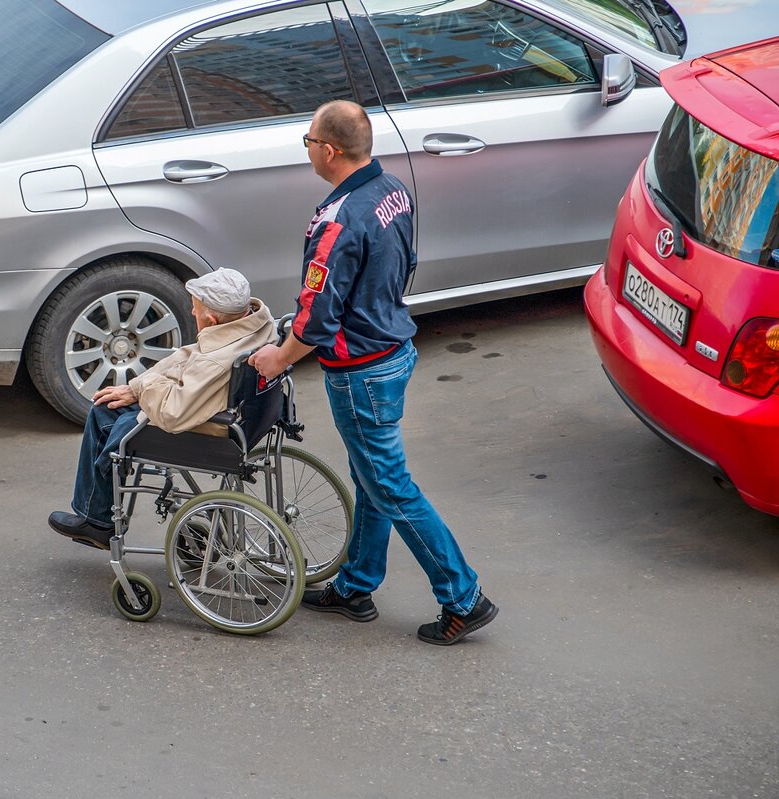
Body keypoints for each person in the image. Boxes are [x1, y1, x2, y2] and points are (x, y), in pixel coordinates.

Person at [249, 100, 497, 646]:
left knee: (390, 486)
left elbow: (317, 314)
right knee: (371, 478)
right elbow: (402, 264)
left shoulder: (336, 221)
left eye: (309, 141)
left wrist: (278, 356)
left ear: (329, 151)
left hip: (361, 372)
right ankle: (356, 585)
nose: (309, 149)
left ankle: (463, 596)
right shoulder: (392, 192)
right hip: (392, 349)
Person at [49, 268, 277, 550]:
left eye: (195, 310)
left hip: (206, 429)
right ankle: (95, 514)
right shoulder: (257, 323)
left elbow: (172, 413)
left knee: (104, 413)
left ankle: (96, 521)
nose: (193, 314)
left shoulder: (214, 363)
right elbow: (188, 356)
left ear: (212, 318)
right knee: (116, 405)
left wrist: (144, 388)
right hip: (244, 417)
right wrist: (135, 387)